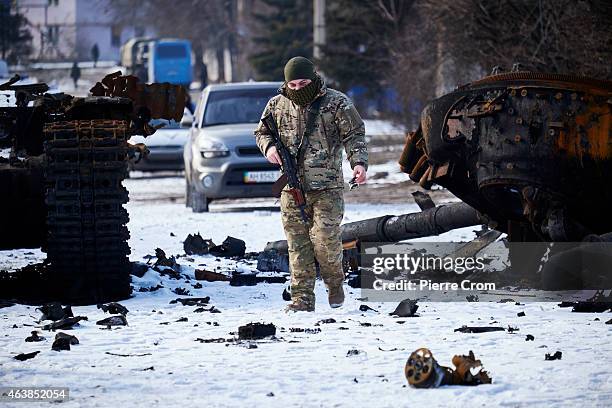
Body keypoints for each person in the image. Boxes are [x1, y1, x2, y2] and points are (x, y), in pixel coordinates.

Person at [254, 56, 368, 312]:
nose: (297, 89)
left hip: (327, 187)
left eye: (303, 82)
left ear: (313, 78)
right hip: (291, 188)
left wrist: (358, 162)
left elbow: (354, 134)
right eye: (292, 85)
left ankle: (334, 282)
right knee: (298, 245)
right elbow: (261, 132)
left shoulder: (336, 103)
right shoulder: (277, 105)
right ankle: (302, 299)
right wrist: (269, 148)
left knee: (324, 240)